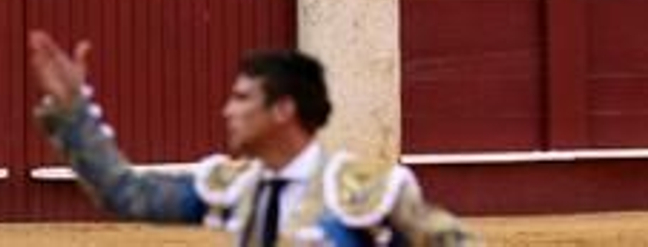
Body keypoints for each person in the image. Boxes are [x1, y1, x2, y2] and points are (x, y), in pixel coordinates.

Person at [29, 38, 467, 239]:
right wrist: (74, 113)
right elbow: (125, 192)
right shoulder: (237, 188)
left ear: (283, 110)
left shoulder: (366, 191)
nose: (227, 110)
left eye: (242, 98)